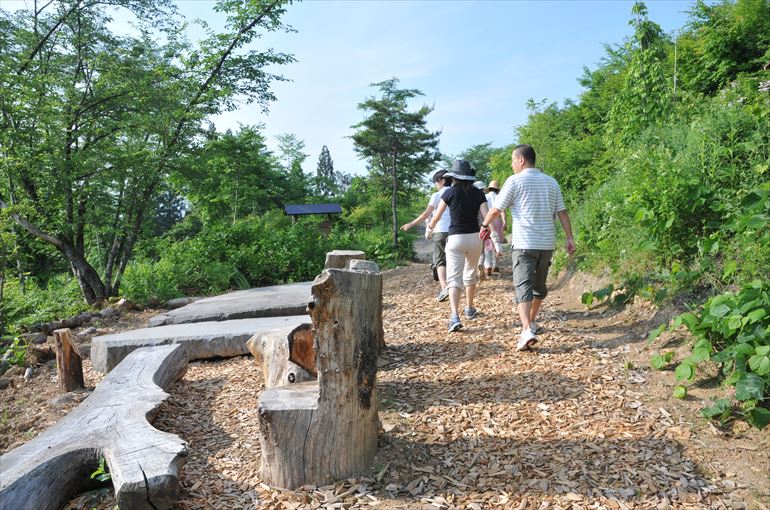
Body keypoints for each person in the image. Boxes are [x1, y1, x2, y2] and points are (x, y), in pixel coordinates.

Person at [481, 144, 576, 350]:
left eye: (513, 160)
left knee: (523, 286)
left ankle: (526, 329)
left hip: (524, 243)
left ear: (521, 160)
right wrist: (569, 238)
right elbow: (563, 212)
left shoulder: (514, 181)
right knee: (539, 287)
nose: (512, 164)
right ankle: (531, 322)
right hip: (546, 244)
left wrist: (484, 225)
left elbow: (497, 209)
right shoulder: (551, 182)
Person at [428, 160, 489, 332]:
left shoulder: (448, 193)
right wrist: (487, 228)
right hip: (475, 237)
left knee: (454, 278)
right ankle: (469, 308)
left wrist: (430, 227)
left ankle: (454, 316)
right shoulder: (478, 193)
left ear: (453, 177)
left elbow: (437, 216)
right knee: (470, 273)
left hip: (455, 238)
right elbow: (486, 216)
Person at [401, 170, 453, 301]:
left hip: (440, 230)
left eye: (436, 182)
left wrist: (411, 224)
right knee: (453, 258)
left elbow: (426, 214)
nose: (436, 185)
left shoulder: (437, 195)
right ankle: (454, 285)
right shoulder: (457, 192)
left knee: (440, 260)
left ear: (442, 180)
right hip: (455, 230)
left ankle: (444, 287)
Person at [483, 180, 506, 276]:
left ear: (489, 189)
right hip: (497, 221)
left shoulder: (485, 197)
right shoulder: (499, 197)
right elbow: (502, 210)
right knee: (497, 242)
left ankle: (488, 265)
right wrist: (505, 222)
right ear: (497, 190)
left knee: (488, 242)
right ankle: (496, 264)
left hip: (487, 221)